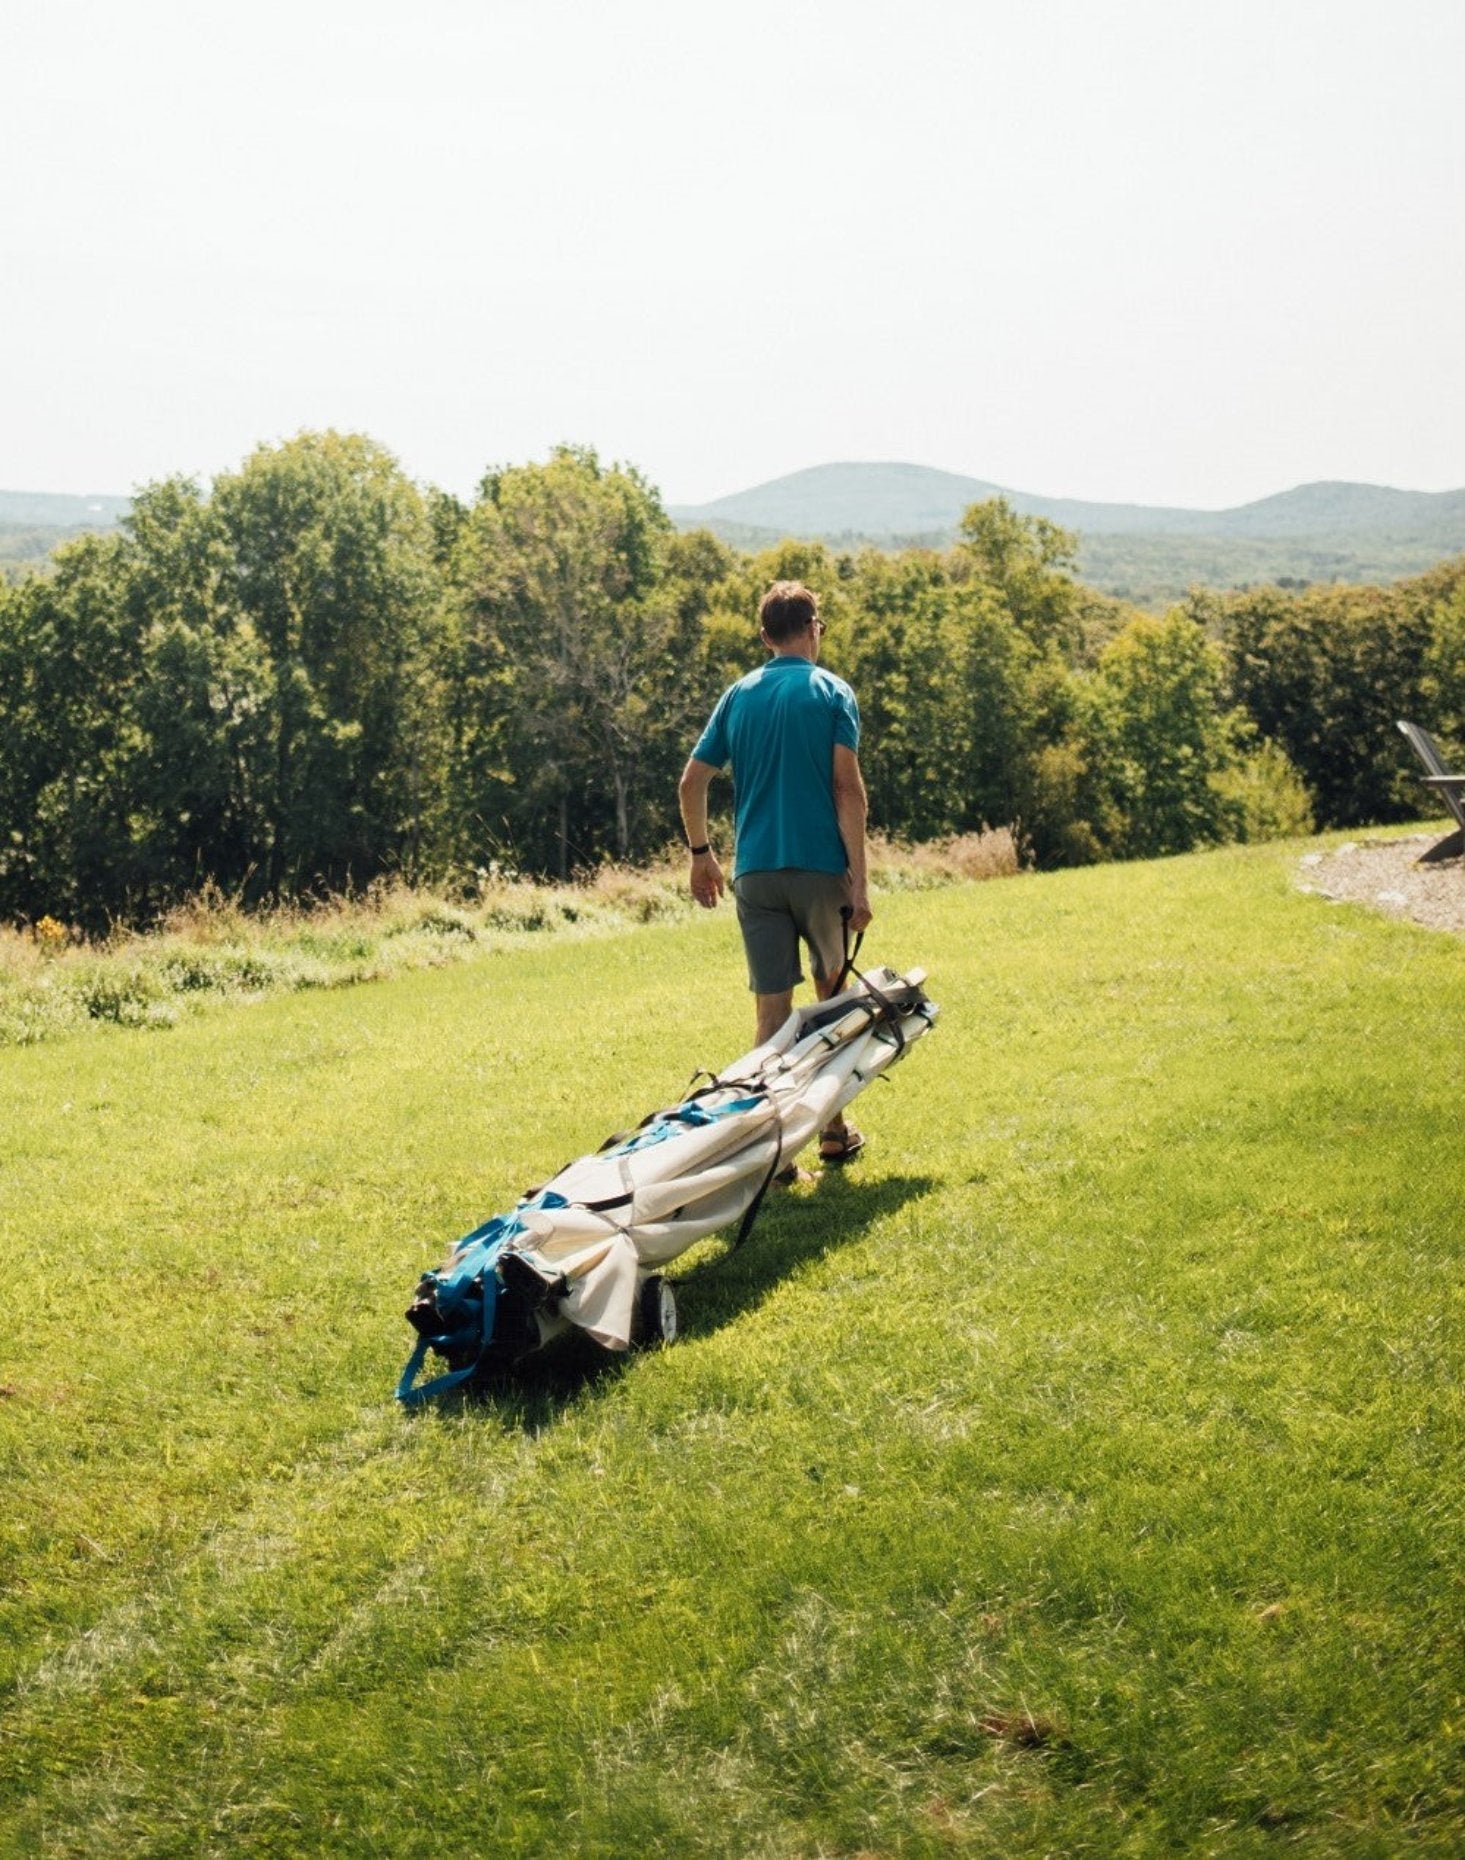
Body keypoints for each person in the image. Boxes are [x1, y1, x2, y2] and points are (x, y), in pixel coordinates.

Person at [678, 579, 873, 1172]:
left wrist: (701, 853)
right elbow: (848, 791)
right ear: (814, 629)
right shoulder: (833, 692)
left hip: (756, 871)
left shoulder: (738, 696)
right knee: (831, 998)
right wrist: (860, 884)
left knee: (771, 1012)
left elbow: (692, 782)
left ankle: (773, 1153)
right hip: (820, 869)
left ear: (765, 637)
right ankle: (833, 1130)